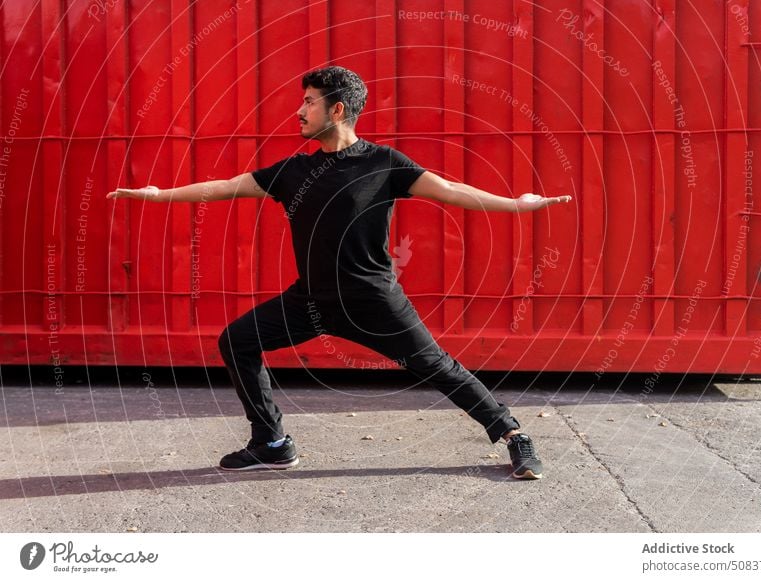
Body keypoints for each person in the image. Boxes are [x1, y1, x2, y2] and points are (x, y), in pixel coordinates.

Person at [108, 66, 571, 480]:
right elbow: (227, 187)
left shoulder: (383, 163)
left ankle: (512, 436)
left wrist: (516, 204)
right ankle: (271, 443)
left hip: (373, 300)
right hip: (310, 301)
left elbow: (449, 190)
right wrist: (156, 194)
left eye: (309, 101)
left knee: (439, 368)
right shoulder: (293, 172)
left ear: (338, 108)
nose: (299, 111)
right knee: (237, 340)